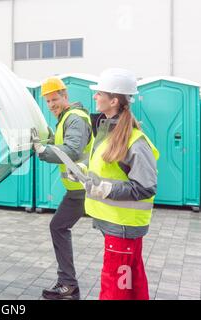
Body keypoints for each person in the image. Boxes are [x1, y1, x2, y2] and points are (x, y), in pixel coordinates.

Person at [68, 68, 159, 300]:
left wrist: (106, 189)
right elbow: (106, 171)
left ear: (114, 100)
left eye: (99, 93)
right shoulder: (108, 132)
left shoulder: (135, 141)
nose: (95, 97)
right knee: (132, 282)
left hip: (124, 226)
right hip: (115, 223)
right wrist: (83, 173)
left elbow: (145, 187)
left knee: (115, 287)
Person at [31, 77, 93, 300]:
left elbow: (73, 151)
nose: (51, 105)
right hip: (79, 189)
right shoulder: (67, 118)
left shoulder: (74, 118)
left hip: (84, 188)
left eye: (54, 99)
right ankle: (68, 283)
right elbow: (64, 141)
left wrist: (41, 150)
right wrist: (48, 135)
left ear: (65, 96)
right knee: (58, 227)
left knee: (58, 227)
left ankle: (68, 284)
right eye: (47, 101)